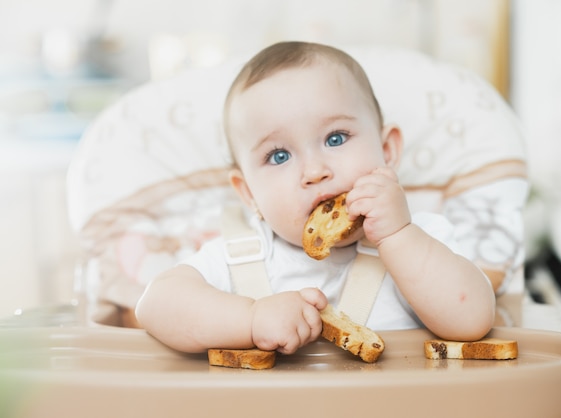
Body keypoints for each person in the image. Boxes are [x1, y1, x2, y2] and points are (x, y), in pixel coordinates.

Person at [135, 41, 496, 354]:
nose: (314, 171)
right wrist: (249, 320)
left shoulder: (422, 237)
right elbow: (155, 305)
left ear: (387, 150)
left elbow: (473, 321)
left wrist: (398, 236)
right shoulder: (241, 255)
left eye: (335, 138)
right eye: (279, 156)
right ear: (249, 193)